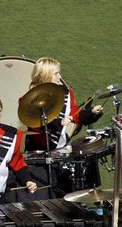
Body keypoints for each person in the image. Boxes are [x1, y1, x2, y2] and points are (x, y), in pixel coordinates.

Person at [23, 57, 103, 197]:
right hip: (39, 156)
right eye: (56, 73)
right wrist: (58, 123)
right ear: (45, 76)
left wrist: (91, 113)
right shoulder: (30, 98)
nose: (60, 76)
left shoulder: (66, 93)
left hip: (60, 150)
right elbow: (35, 124)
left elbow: (75, 115)